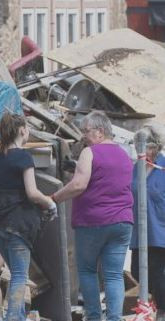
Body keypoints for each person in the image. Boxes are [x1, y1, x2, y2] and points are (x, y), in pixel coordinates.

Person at [51, 111, 133, 321]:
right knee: (114, 275)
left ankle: (95, 318)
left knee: (87, 271)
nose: (84, 136)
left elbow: (79, 184)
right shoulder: (124, 154)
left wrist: (55, 197)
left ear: (100, 131)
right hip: (122, 222)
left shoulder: (91, 152)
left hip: (93, 221)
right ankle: (114, 318)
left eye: (87, 131)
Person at [0, 113, 56, 321]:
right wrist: (50, 203)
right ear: (22, 130)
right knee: (19, 275)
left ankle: (15, 316)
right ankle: (13, 318)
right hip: (17, 225)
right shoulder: (24, 157)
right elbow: (32, 192)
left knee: (16, 271)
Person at [131, 139, 165, 313]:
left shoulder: (163, 166)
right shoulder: (137, 167)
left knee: (157, 272)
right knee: (136, 271)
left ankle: (162, 311)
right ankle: (159, 302)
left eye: (149, 147)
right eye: (141, 146)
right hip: (139, 230)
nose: (144, 150)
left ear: (157, 147)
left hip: (159, 229)